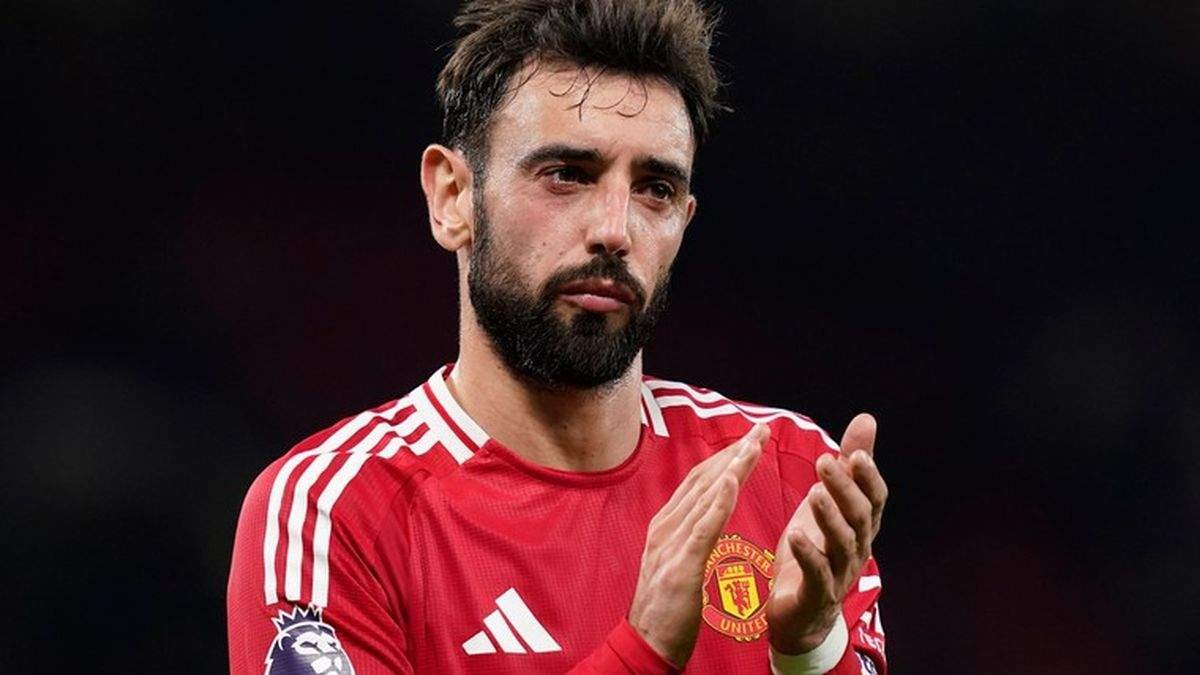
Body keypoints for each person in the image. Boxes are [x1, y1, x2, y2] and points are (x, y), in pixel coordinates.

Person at [227, 1, 889, 673]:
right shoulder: (333, 513)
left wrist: (808, 648)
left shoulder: (789, 476)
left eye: (655, 189)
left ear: (685, 221)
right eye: (567, 174)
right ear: (453, 197)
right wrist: (643, 649)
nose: (615, 230)